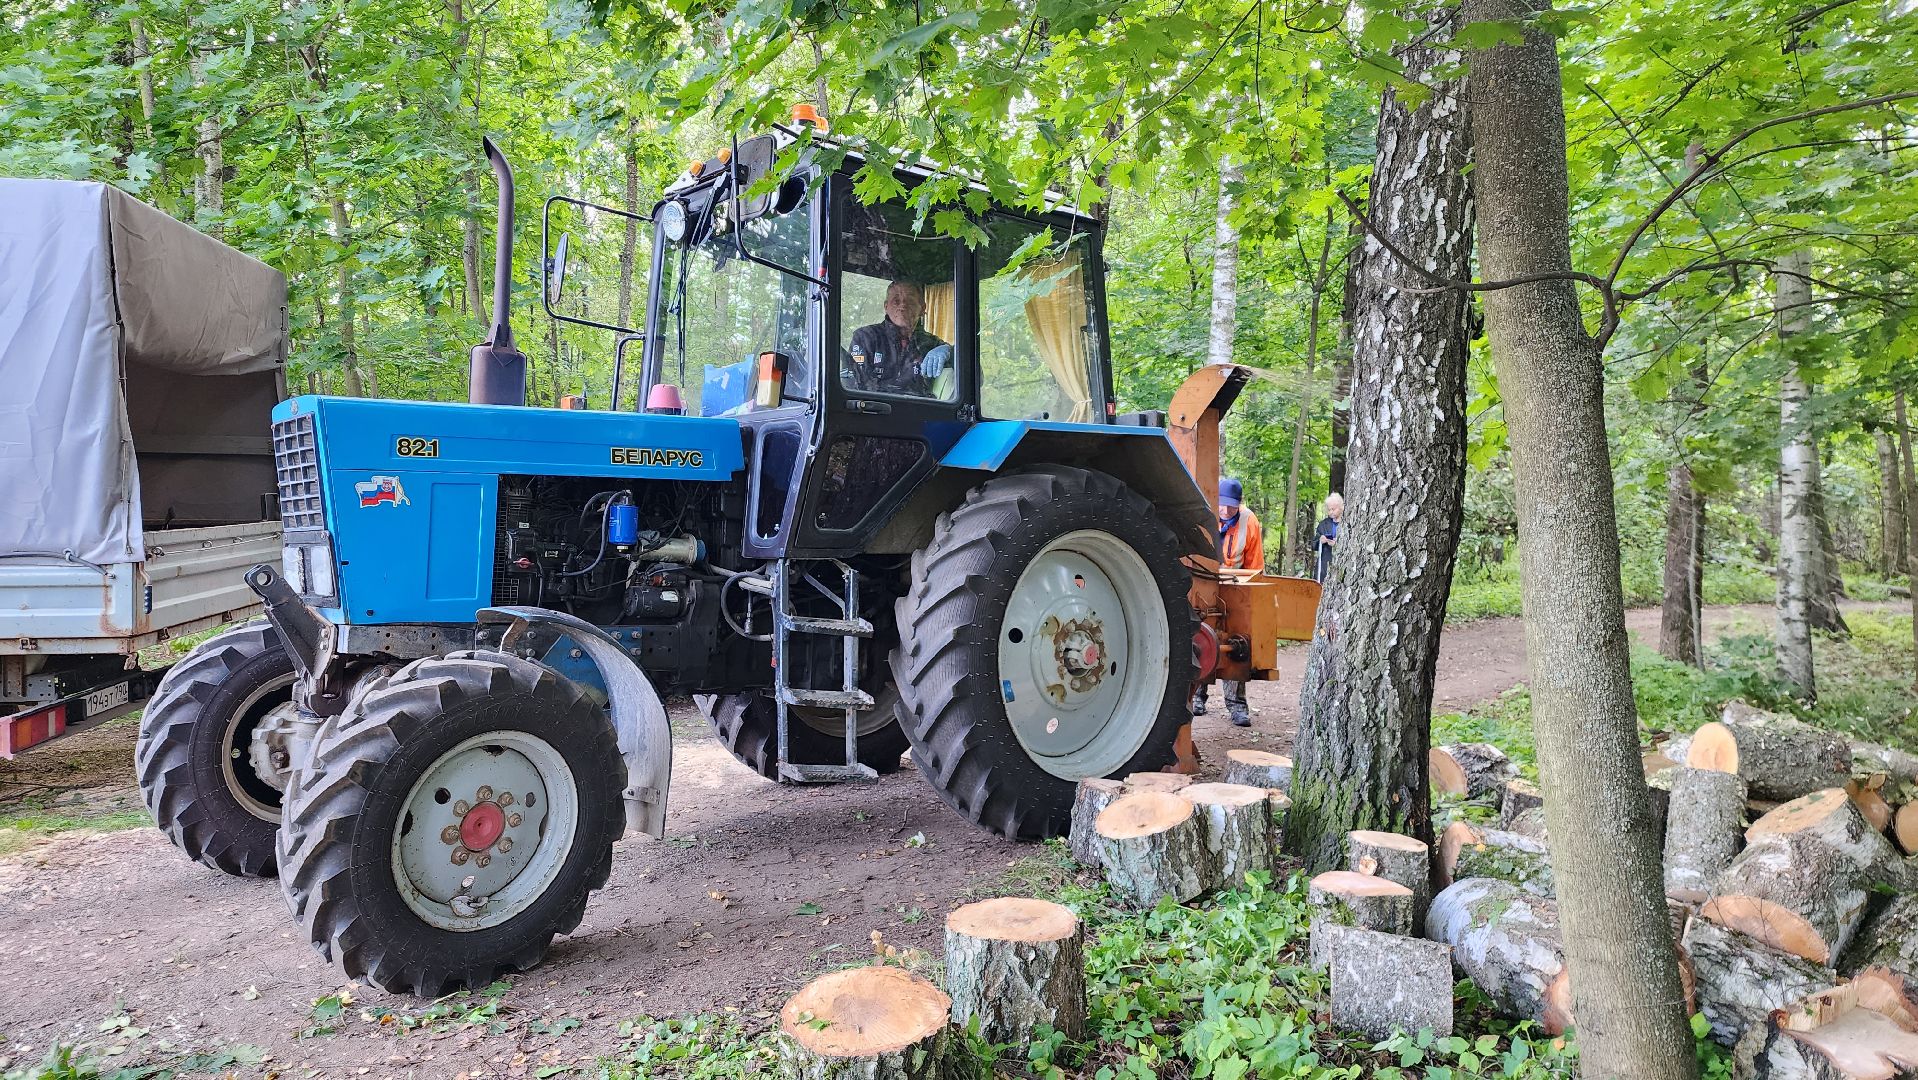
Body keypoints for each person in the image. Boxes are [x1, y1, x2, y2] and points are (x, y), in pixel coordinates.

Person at [1193, 477, 1263, 727]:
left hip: (1237, 588)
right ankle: (1198, 697)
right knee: (1203, 638)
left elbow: (1255, 564)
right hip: (1205, 584)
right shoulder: (1202, 515)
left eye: (1231, 506)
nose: (1225, 510)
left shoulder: (1249, 522)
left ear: (1239, 504)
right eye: (1222, 505)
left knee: (1236, 641)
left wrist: (1250, 594)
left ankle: (1236, 705)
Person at [846, 280, 948, 396]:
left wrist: (948, 350)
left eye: (909, 300)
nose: (902, 305)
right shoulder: (865, 337)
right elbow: (857, 384)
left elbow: (962, 361)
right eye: (896, 300)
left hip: (920, 410)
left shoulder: (931, 344)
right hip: (875, 409)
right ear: (886, 306)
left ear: (922, 308)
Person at [1315, 492, 1344, 583]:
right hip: (1325, 565)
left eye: (1333, 509)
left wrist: (1337, 544)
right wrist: (1320, 540)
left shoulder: (1348, 522)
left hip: (1342, 563)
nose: (1331, 512)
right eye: (1329, 509)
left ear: (1341, 507)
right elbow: (1313, 544)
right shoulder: (1323, 524)